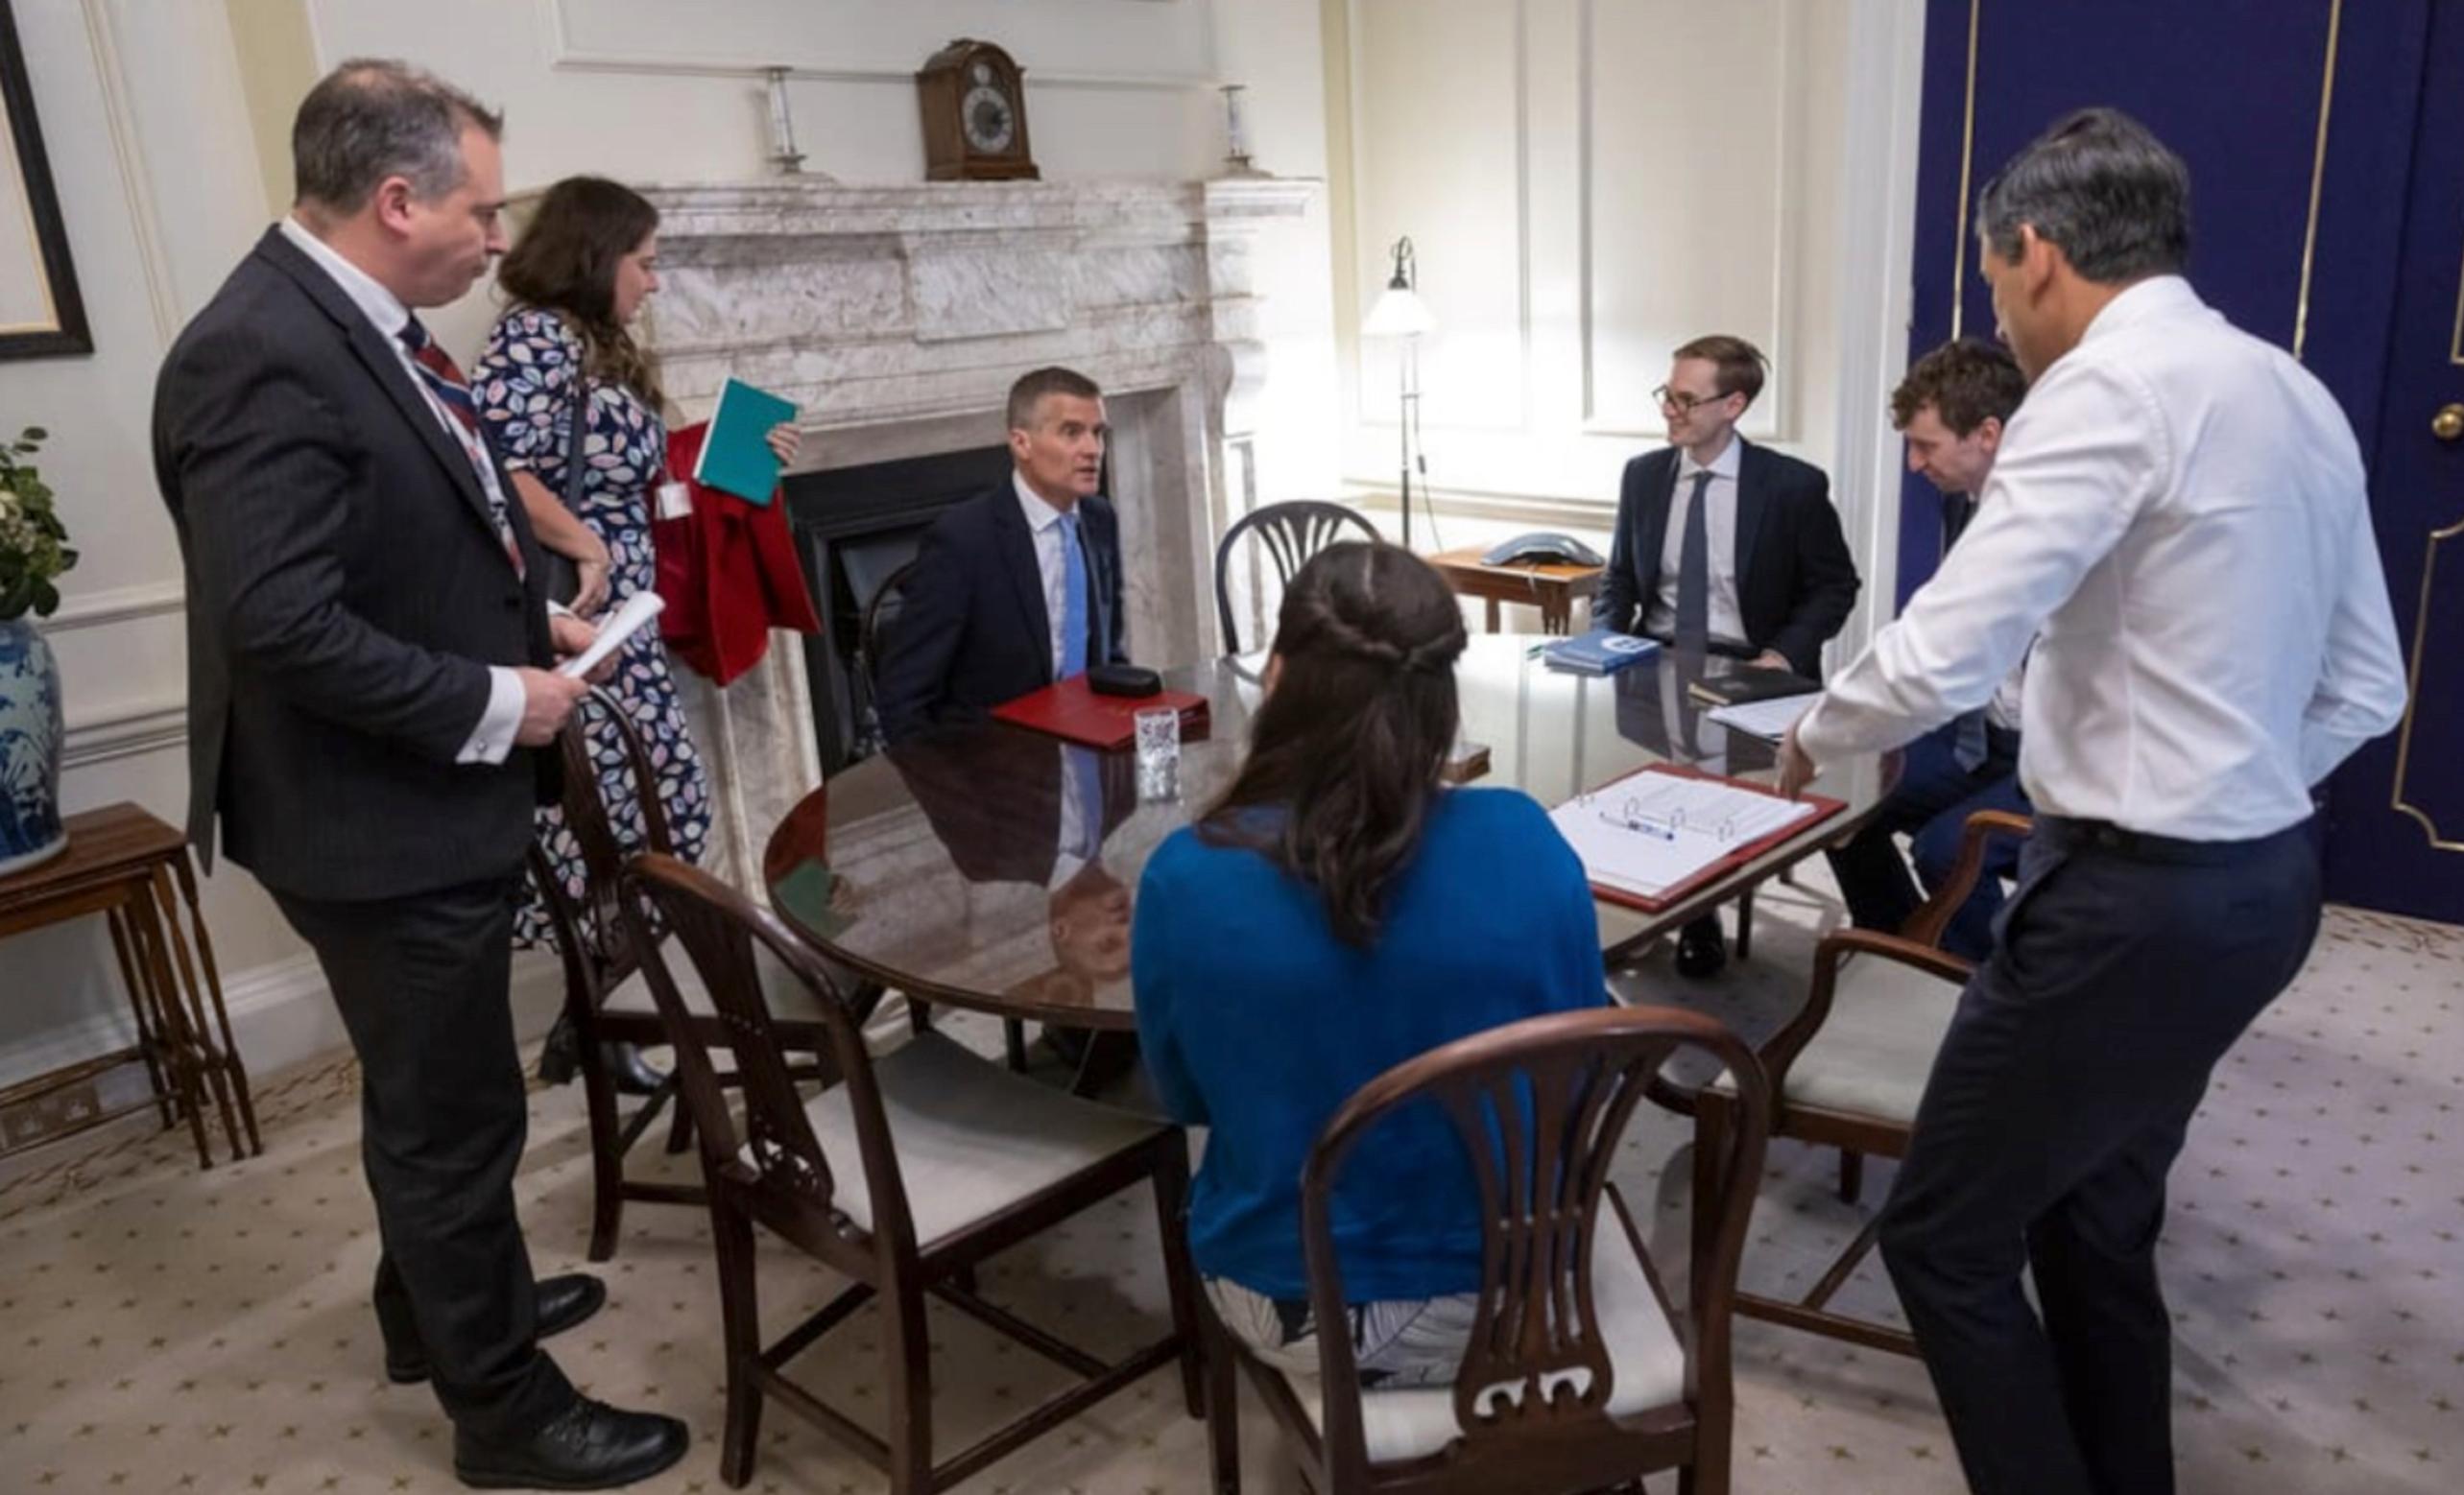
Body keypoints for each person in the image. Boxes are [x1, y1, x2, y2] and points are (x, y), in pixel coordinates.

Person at [1777, 109, 2407, 1495]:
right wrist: (2235, 791)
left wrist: (1810, 739)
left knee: (1939, 1237)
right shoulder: (2284, 388)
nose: (1997, 307)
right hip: (2258, 889)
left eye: (1993, 279)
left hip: (2126, 902)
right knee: (2091, 1216)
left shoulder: (2103, 393)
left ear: (2037, 252)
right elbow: (2369, 686)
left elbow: (1953, 638)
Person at [151, 60, 687, 1488]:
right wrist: (499, 693)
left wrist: (535, 620)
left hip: (401, 794)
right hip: (373, 818)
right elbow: (283, 624)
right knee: (453, 1123)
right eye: (483, 208)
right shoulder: (261, 347)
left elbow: (410, 542)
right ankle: (504, 1410)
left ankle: (437, 1317)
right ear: (397, 201)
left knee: (425, 1101)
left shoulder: (356, 324)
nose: (499, 241)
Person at [1133, 542, 1606, 1385]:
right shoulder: (1526, 837)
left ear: (1275, 679)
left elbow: (1186, 1100)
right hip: (1519, 1286)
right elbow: (1580, 1061)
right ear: (1441, 701)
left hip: (1288, 1296)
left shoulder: (1185, 875)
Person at [473, 176, 796, 1096]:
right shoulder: (534, 336)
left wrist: (738, 449)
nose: (653, 284)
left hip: (626, 630)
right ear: (597, 252)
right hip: (578, 628)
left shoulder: (589, 343)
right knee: (623, 830)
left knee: (661, 821)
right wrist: (582, 544)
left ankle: (599, 1018)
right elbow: (495, 464)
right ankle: (603, 1019)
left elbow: (639, 472)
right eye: (645, 264)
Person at [1596, 333, 1859, 976]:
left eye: (1686, 399)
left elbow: (1834, 586)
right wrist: (1602, 637)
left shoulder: (1790, 487)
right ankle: (1619, 908)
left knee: (1704, 785)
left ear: (1733, 404)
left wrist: (1780, 655)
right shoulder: (1643, 477)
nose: (1669, 411)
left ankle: (1697, 915)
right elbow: (1620, 580)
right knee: (1611, 778)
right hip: (1650, 658)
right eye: (1666, 395)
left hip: (1748, 669)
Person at [1823, 339, 2032, 960]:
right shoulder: (1970, 506)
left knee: (1946, 849)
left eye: (1925, 445)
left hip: (2061, 766)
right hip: (1985, 741)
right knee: (1841, 803)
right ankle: (1901, 955)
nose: (1914, 464)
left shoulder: (2049, 517)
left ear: (1986, 434)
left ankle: (1985, 992)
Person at [874, 367, 1130, 742]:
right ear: (1021, 443)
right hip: (994, 761)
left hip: (1089, 745)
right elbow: (903, 699)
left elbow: (1109, 653)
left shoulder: (1099, 518)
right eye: (1072, 432)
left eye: (1098, 433)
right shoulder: (962, 540)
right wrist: (952, 791)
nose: (1093, 450)